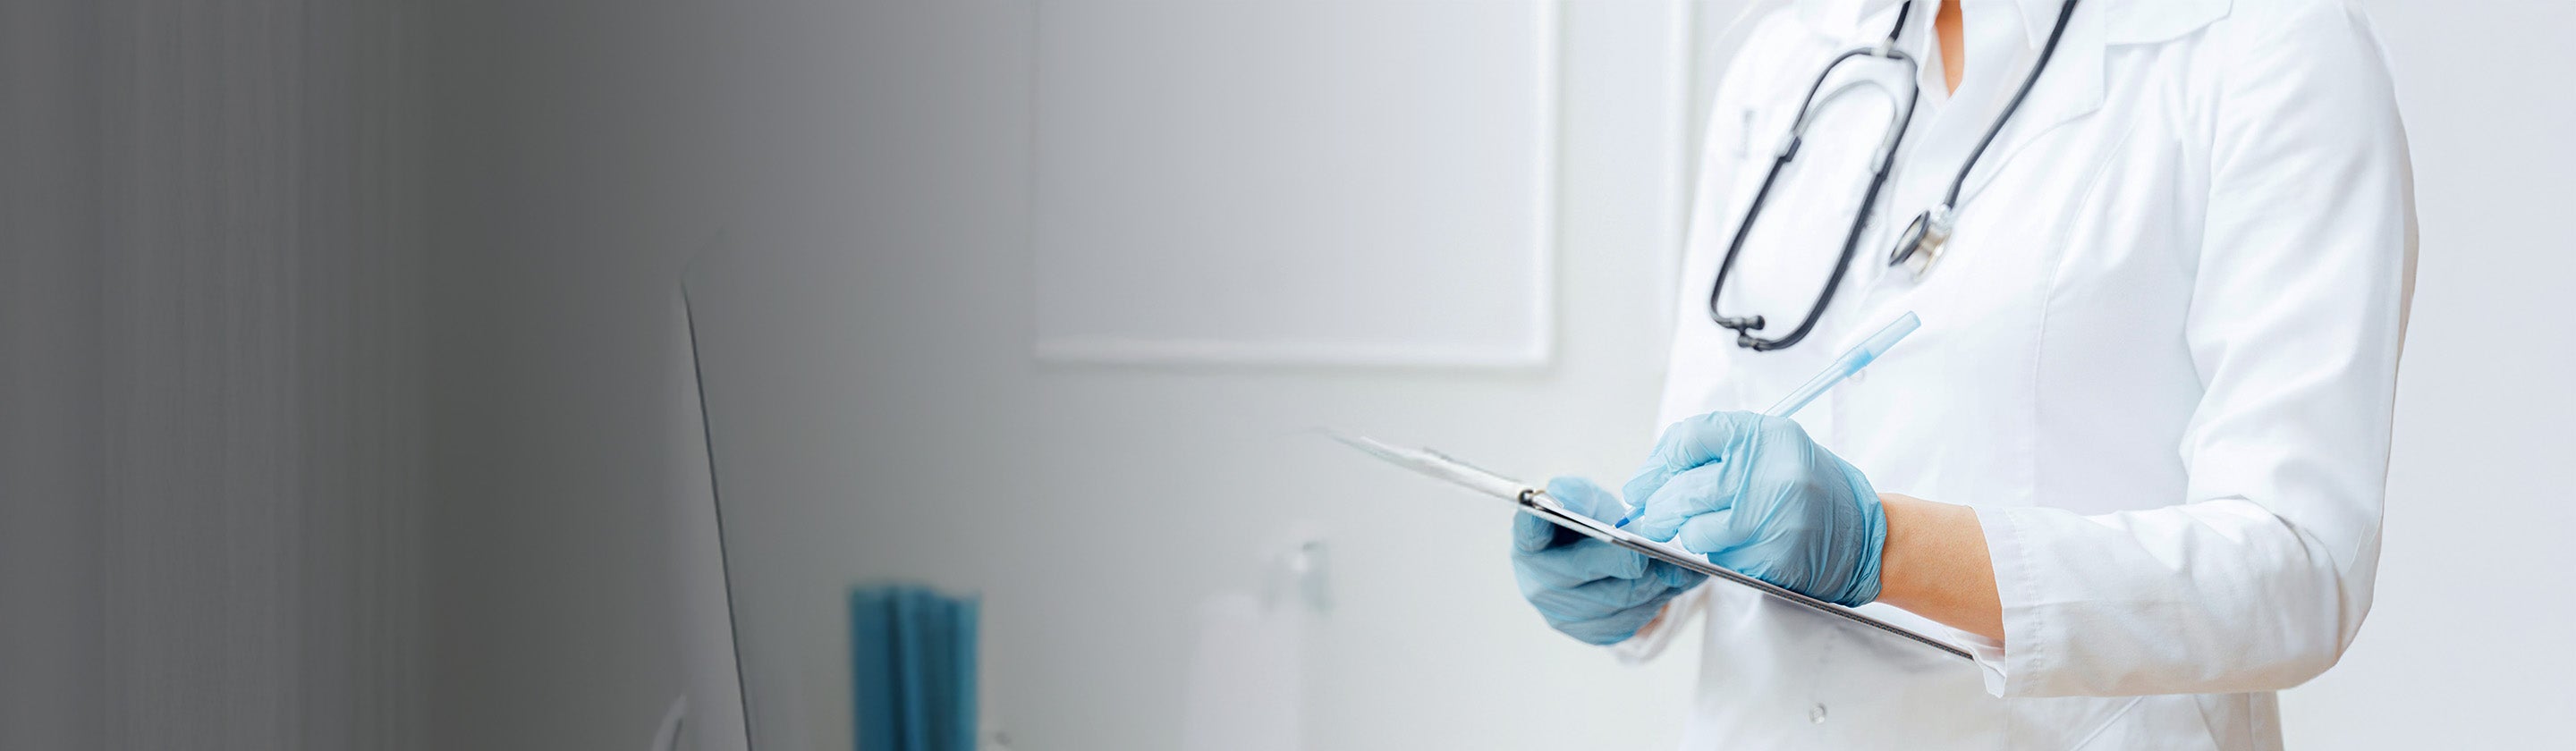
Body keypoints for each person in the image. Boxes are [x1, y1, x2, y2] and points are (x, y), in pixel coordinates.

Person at [1509, 0, 2413, 747]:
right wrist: (1644, 559)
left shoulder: (2271, 47)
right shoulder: (1789, 57)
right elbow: (1712, 434)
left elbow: (2300, 569)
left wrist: (1879, 548)